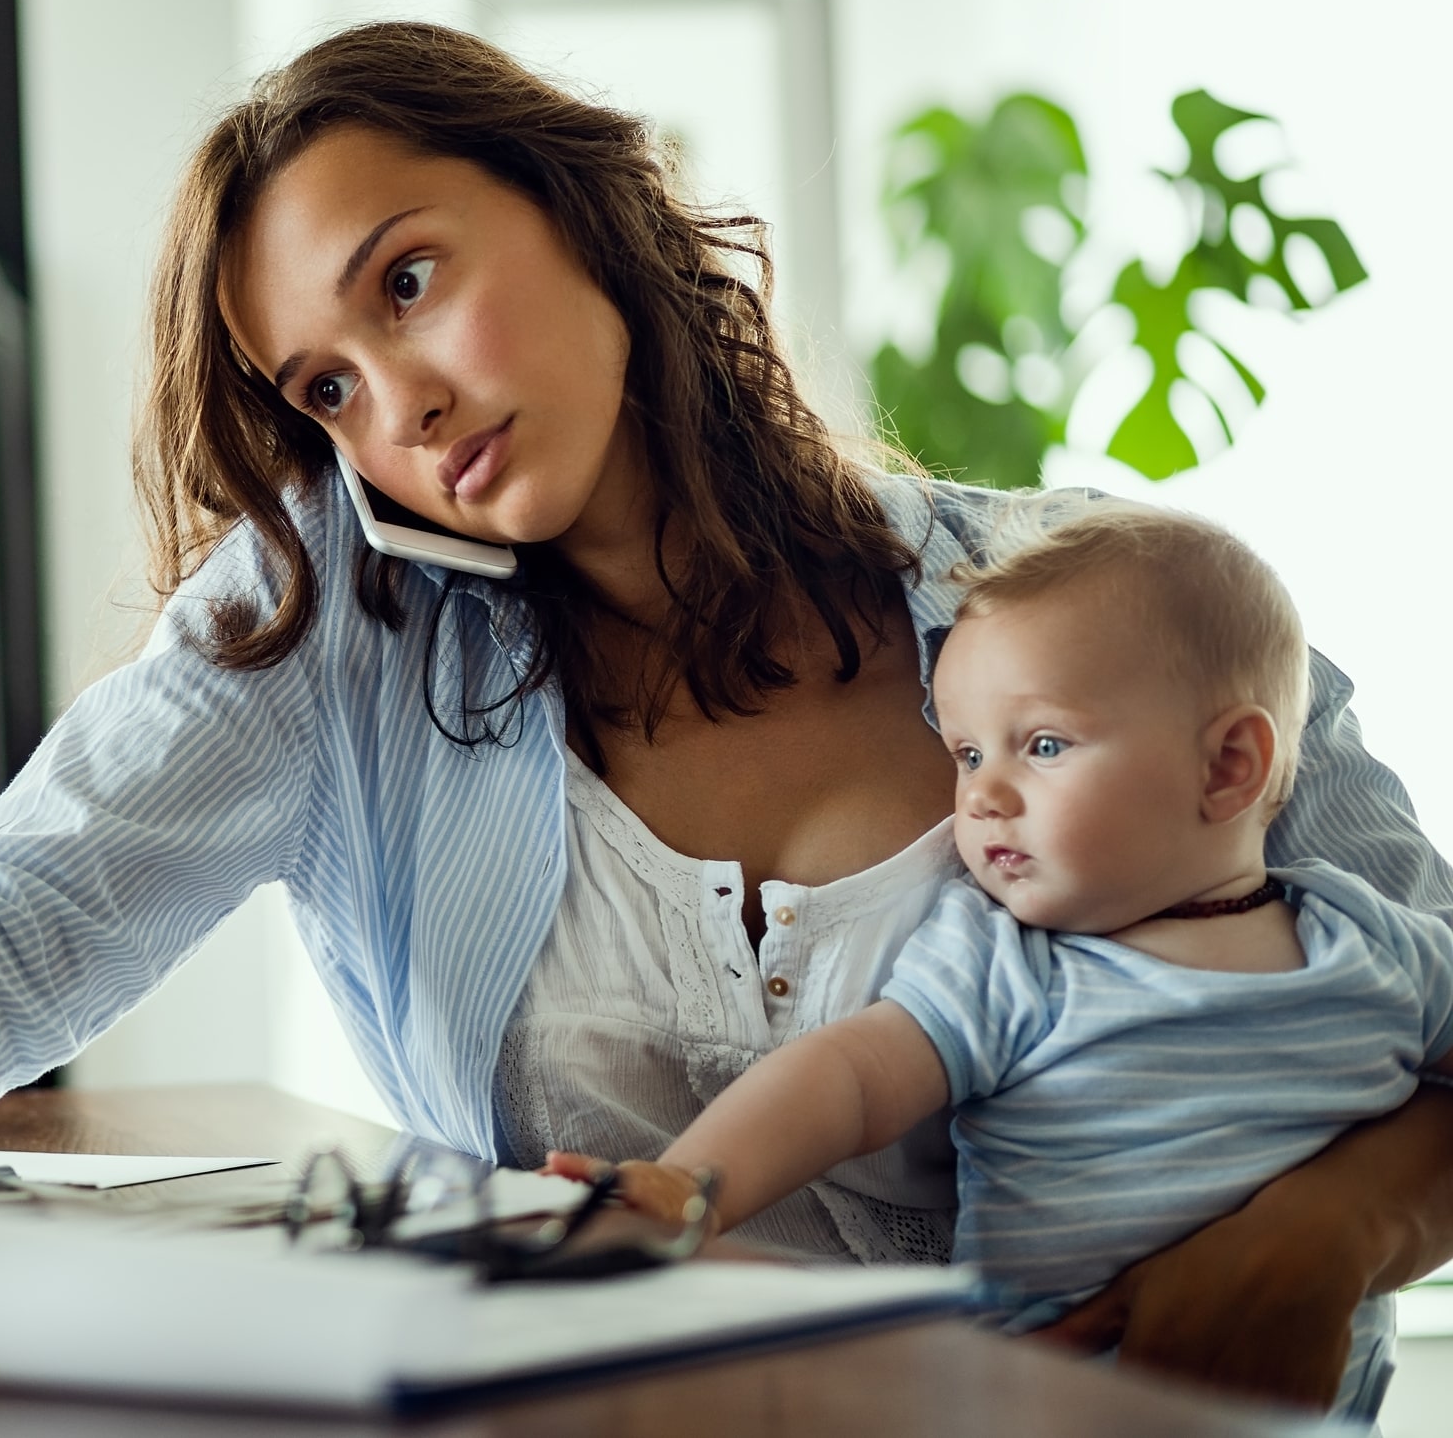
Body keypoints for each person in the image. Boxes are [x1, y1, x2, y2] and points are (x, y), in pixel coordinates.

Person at [0, 22, 1453, 1409]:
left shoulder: (1119, 605)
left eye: (408, 281)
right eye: (325, 387)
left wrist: (1321, 1235)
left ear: (585, 207)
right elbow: (30, 900)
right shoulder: (333, 630)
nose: (394, 408)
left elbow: (1430, 988)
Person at [546, 499, 1453, 1418]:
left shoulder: (1372, 941)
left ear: (1228, 766)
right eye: (968, 753)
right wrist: (686, 1184)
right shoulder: (1009, 962)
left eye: (1043, 744)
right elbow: (848, 1078)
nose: (981, 796)